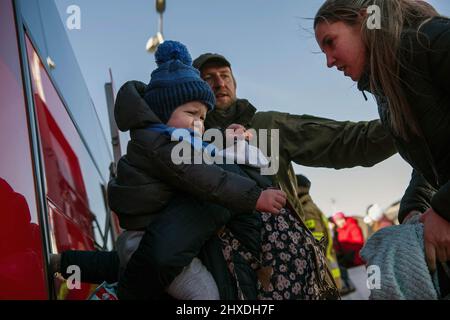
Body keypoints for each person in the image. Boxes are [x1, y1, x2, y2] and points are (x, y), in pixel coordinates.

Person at [314, 0, 450, 289]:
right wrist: (415, 207)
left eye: (330, 42)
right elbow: (430, 162)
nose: (328, 62)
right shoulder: (389, 92)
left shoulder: (433, 41)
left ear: (364, 21)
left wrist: (444, 209)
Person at [296, 174, 342, 290]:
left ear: (298, 187)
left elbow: (315, 241)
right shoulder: (311, 206)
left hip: (324, 271)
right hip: (329, 269)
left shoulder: (306, 209)